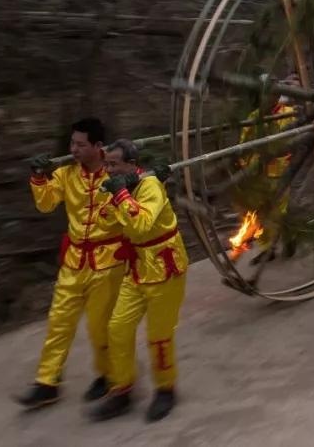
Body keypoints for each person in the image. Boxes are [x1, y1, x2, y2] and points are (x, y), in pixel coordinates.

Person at [18, 118, 125, 410]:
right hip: (74, 262)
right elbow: (46, 204)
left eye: (80, 144)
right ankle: (47, 382)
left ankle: (109, 376)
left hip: (108, 263)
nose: (73, 149)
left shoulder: (116, 174)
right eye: (72, 143)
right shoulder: (65, 174)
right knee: (59, 321)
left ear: (98, 146)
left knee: (100, 327)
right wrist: (39, 178)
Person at [92, 140, 188, 422]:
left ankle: (165, 389)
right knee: (117, 328)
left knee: (159, 336)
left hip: (164, 268)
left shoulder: (151, 186)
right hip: (136, 268)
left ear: (132, 165)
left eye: (114, 164)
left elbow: (142, 224)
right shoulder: (117, 187)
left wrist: (122, 194)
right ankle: (122, 388)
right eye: (106, 164)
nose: (108, 170)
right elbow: (103, 221)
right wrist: (117, 195)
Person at [233, 76, 299, 263]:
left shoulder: (289, 114)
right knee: (260, 212)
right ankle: (267, 248)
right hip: (258, 173)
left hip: (280, 171)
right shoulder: (254, 117)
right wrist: (243, 165)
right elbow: (244, 144)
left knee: (280, 211)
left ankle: (289, 238)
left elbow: (297, 140)